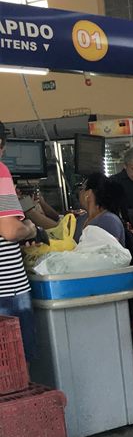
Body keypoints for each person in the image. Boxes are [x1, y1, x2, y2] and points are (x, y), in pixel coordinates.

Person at [0, 127, 41, 360]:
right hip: (7, 290)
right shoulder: (0, 170)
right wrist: (30, 229)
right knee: (16, 367)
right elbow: (10, 230)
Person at [77, 173, 128, 244]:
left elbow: (108, 249)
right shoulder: (81, 219)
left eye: (81, 188)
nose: (79, 192)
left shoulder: (109, 221)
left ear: (88, 194)